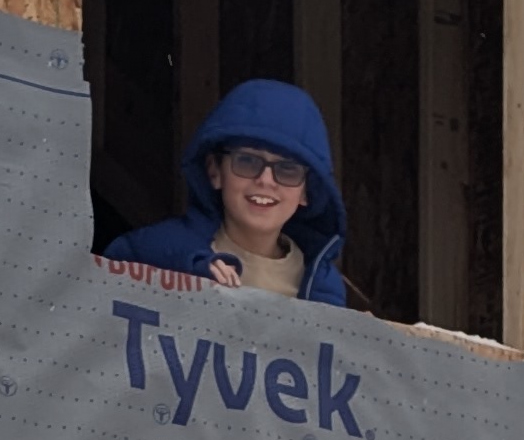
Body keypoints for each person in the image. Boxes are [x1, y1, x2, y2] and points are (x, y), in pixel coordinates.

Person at [102, 67, 355, 303]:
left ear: (307, 190)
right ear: (215, 171)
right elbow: (107, 275)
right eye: (247, 162)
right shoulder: (168, 249)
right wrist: (185, 273)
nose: (265, 180)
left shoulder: (322, 286)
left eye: (287, 170)